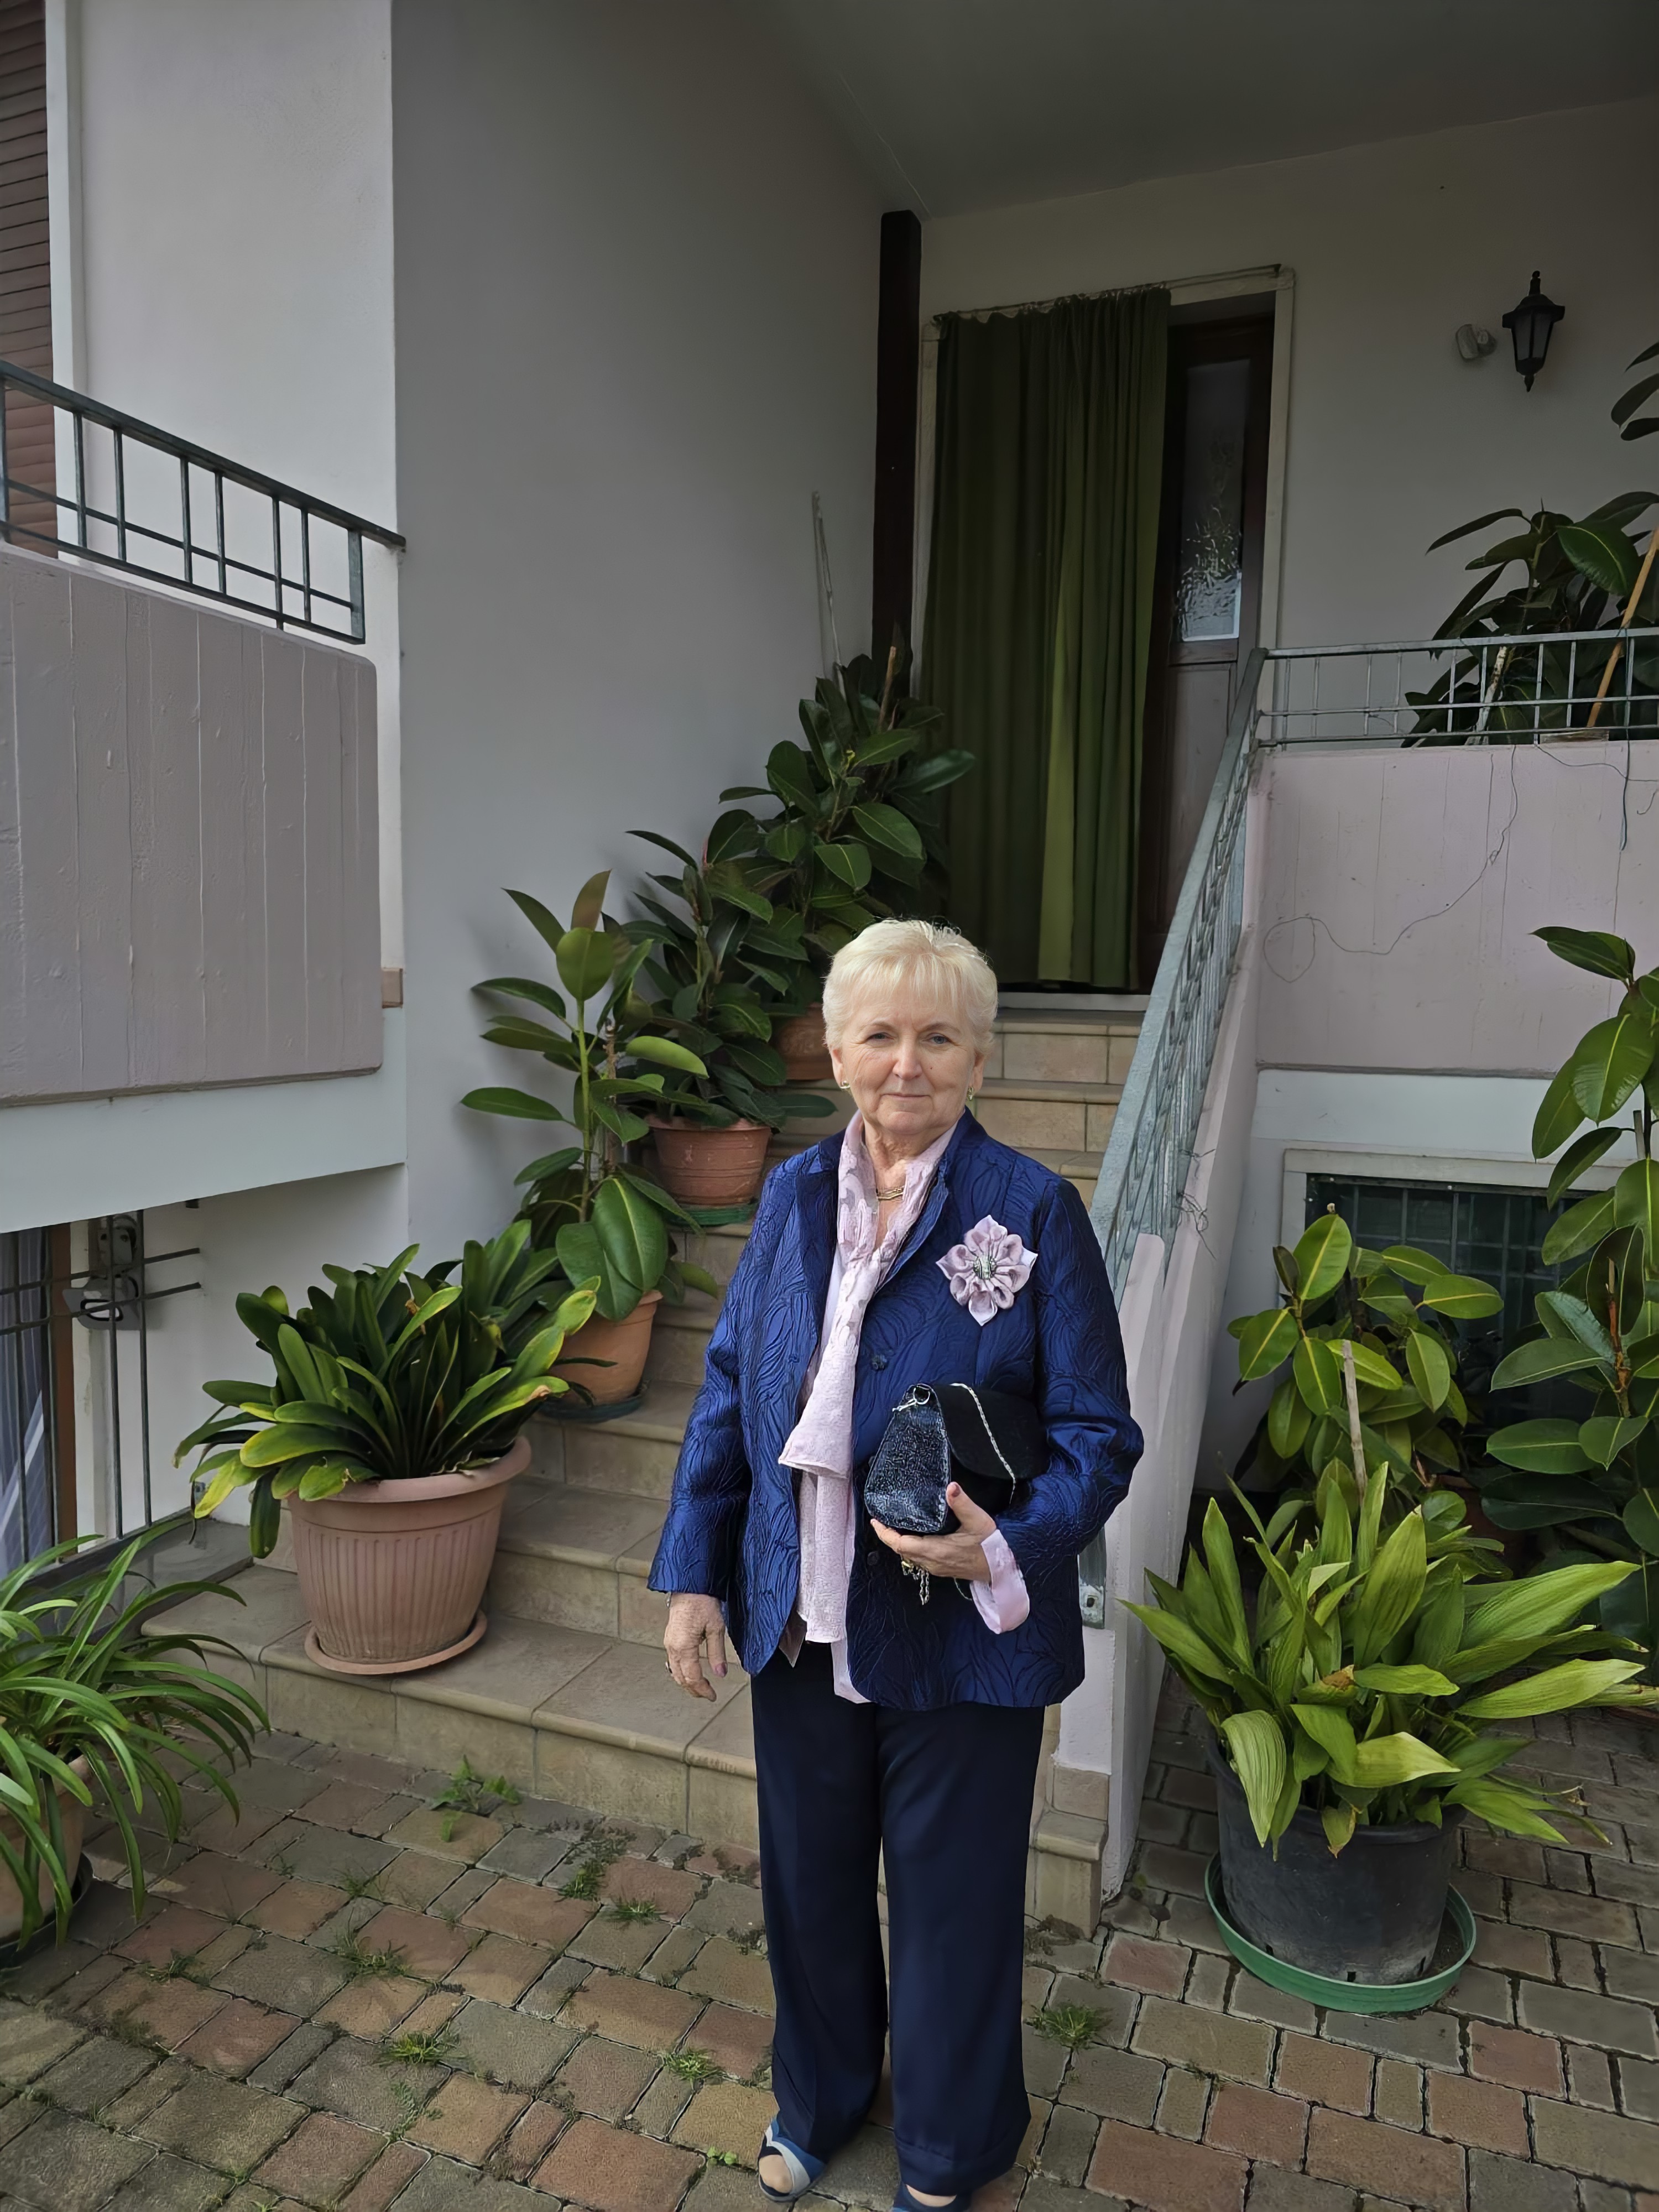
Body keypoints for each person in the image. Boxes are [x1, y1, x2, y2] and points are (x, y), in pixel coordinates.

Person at [649, 917, 1141, 2212]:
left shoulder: (1032, 1208)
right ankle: (817, 2100)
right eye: (880, 1033)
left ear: (980, 1056)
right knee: (809, 1889)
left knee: (954, 1901)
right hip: (800, 1609)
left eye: (938, 1036)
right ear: (836, 1050)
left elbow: (1100, 1433)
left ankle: (949, 2145)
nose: (906, 1062)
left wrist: (1003, 1541)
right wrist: (696, 1574)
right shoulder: (791, 1195)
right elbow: (730, 1385)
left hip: (960, 1623)